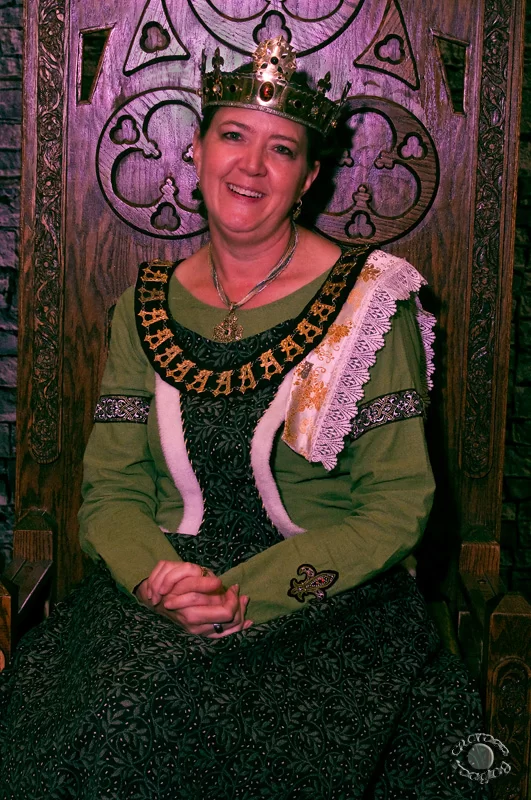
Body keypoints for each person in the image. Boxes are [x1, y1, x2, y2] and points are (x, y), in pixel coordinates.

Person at [0, 37, 488, 799]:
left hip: (325, 595)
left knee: (182, 716)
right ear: (195, 153)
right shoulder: (143, 305)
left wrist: (244, 596)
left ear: (308, 178)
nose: (251, 168)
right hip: (162, 586)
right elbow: (112, 487)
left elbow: (396, 504)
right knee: (93, 715)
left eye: (281, 150)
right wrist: (159, 581)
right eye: (232, 136)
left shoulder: (371, 303)